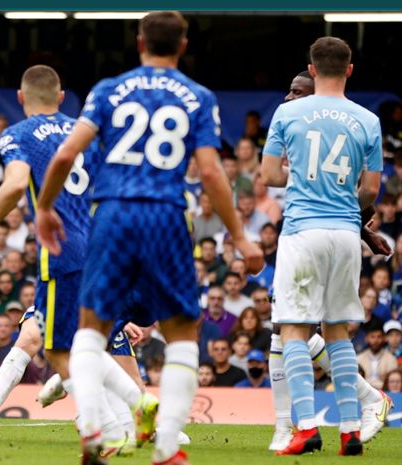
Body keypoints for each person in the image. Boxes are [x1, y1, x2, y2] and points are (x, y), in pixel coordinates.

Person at [36, 12, 263, 465]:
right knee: (181, 332)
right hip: (165, 213)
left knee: (90, 329)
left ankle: (95, 431)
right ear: (182, 45)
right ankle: (166, 447)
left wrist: (44, 207)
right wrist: (239, 235)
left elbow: (64, 153)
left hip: (112, 212)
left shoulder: (107, 89)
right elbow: (212, 171)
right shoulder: (198, 97)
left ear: (139, 42)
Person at [0, 65, 147, 457]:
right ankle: (128, 410)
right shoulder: (86, 132)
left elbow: (16, 183)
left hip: (63, 251)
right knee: (77, 344)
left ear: (20, 97)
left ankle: (114, 421)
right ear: (62, 97)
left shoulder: (19, 134)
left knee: (57, 348)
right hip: (105, 246)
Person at [261, 37, 388, 456]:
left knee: (295, 330)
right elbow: (369, 190)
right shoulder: (368, 120)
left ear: (311, 70)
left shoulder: (288, 112)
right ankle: (350, 430)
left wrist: (301, 177)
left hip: (303, 231)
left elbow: (271, 177)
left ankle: (307, 428)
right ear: (349, 70)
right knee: (337, 332)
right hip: (345, 235)